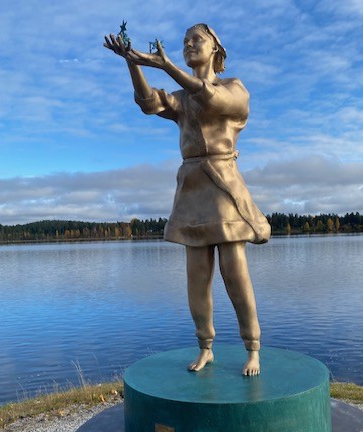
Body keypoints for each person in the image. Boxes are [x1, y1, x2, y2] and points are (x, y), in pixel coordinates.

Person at [104, 23, 270, 376]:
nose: (189, 45)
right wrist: (132, 62)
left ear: (215, 49)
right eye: (184, 42)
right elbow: (148, 102)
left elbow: (213, 99)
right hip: (192, 188)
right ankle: (205, 346)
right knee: (197, 276)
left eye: (197, 40)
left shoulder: (234, 88)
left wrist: (166, 66)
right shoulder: (181, 97)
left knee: (234, 272)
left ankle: (253, 347)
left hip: (222, 184)